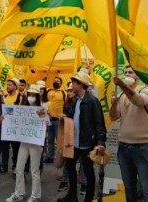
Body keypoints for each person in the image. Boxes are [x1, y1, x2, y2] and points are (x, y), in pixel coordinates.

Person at [57, 69, 107, 202]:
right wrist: (65, 116)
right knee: (70, 167)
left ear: (80, 84)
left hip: (86, 143)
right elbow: (74, 117)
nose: (72, 84)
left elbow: (99, 123)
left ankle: (88, 199)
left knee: (88, 172)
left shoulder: (92, 101)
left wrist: (100, 142)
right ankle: (72, 196)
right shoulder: (76, 100)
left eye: (74, 82)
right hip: (73, 142)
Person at [109, 66, 148, 202]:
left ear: (138, 76)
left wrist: (122, 85)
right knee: (129, 187)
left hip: (142, 147)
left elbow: (138, 100)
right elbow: (113, 116)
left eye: (131, 72)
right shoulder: (122, 94)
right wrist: (113, 104)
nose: (127, 74)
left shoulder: (147, 91)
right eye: (126, 73)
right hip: (123, 146)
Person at [6, 84, 46, 202]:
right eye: (29, 95)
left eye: (33, 95)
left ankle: (35, 196)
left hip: (36, 143)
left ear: (37, 96)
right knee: (19, 168)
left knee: (34, 170)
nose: (31, 97)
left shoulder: (41, 109)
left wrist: (43, 117)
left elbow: (45, 124)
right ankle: (19, 193)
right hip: (24, 142)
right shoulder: (22, 108)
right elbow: (14, 120)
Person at [1, 78, 25, 177]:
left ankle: (16, 168)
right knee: (4, 149)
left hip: (15, 128)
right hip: (5, 127)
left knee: (16, 150)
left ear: (15, 87)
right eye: (7, 84)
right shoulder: (5, 97)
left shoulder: (20, 97)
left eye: (10, 85)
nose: (8, 86)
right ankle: (4, 166)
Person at [44, 77, 66, 163]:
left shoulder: (64, 93)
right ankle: (50, 156)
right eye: (55, 80)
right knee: (50, 139)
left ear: (61, 83)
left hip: (59, 120)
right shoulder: (48, 91)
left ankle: (60, 158)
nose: (56, 82)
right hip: (49, 120)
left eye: (58, 81)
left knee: (59, 140)